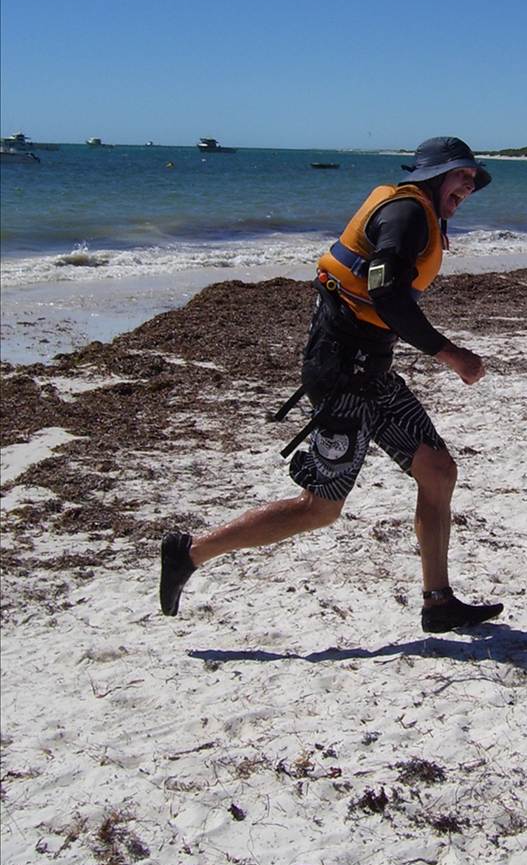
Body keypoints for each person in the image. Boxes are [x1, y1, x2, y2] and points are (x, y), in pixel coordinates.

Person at [159, 137, 504, 634]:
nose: (469, 186)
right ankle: (190, 552)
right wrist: (452, 355)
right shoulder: (406, 214)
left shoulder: (417, 214)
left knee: (437, 471)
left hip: (372, 374)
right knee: (319, 509)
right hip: (343, 379)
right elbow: (387, 295)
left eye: (473, 179)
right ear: (433, 175)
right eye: (461, 175)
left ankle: (439, 602)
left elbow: (383, 291)